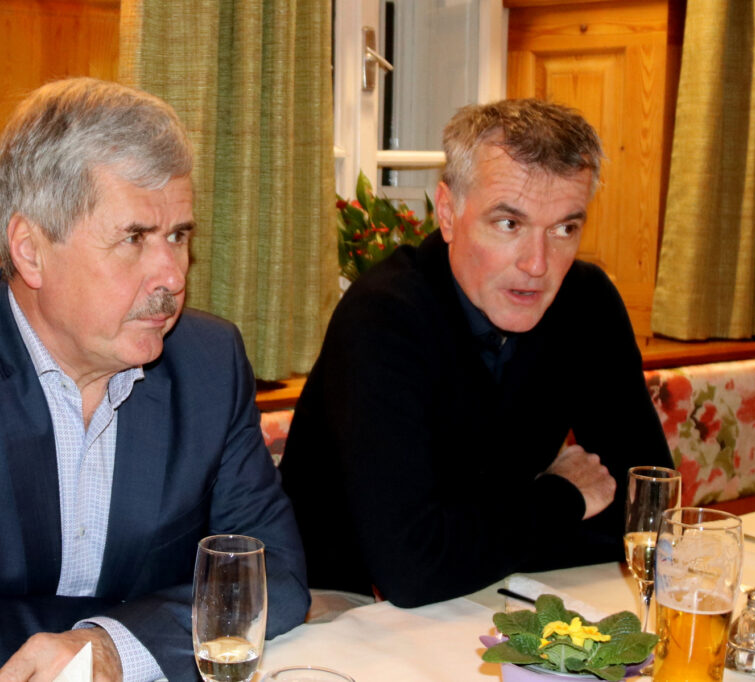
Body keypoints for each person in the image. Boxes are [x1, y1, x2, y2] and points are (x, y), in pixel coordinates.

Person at [0, 78, 309, 681]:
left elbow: (271, 578)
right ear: (31, 251)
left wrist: (112, 646)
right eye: (134, 238)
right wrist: (117, 635)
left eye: (178, 236)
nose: (172, 275)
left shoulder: (208, 364)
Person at [279, 99, 673, 608]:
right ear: (448, 213)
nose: (538, 264)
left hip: (492, 592)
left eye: (564, 229)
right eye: (509, 224)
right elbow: (411, 569)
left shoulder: (586, 303)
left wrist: (479, 540)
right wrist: (562, 498)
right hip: (333, 606)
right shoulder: (383, 317)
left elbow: (648, 515)